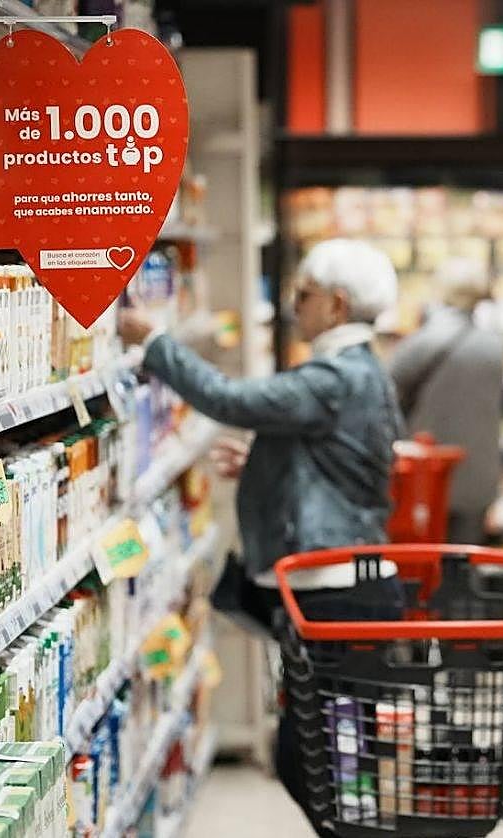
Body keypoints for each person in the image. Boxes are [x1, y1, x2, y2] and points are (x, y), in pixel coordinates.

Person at [117, 237, 405, 837]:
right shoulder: (359, 371)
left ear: (337, 304)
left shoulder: (336, 374)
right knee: (327, 752)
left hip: (333, 586)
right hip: (343, 580)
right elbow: (336, 462)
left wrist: (155, 342)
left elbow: (231, 399)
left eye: (304, 294)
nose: (295, 305)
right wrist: (264, 467)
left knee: (318, 756)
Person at [388, 257, 503, 544]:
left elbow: (385, 394)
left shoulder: (422, 342)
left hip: (427, 477)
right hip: (478, 476)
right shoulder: (494, 346)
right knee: (464, 562)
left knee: (424, 566)